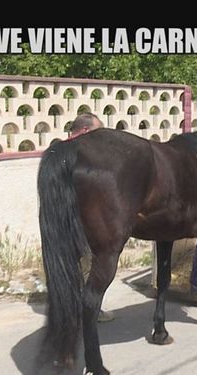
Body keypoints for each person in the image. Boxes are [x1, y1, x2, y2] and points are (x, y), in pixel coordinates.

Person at [63, 113, 114, 322]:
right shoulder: (83, 154)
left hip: (63, 220)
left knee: (69, 266)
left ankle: (72, 312)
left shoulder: (58, 151)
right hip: (80, 220)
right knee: (87, 267)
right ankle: (89, 312)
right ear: (85, 131)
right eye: (96, 132)